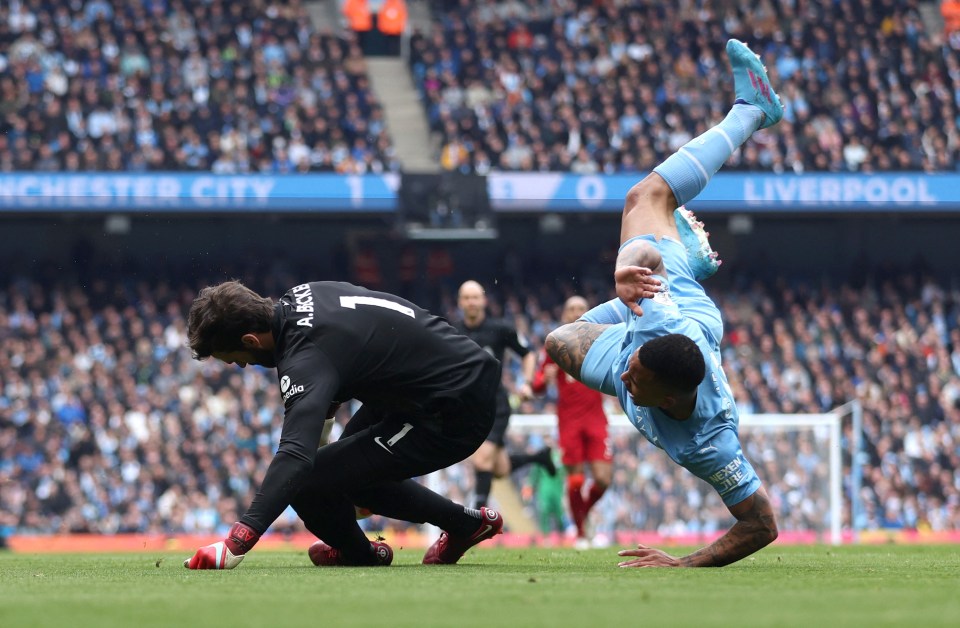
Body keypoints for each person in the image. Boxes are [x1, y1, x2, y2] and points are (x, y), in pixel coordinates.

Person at [544, 39, 783, 567]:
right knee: (645, 199)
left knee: (558, 341)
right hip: (685, 309)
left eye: (634, 376)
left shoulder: (710, 442)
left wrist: (684, 564)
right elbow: (647, 258)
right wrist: (627, 274)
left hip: (660, 333)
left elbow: (762, 524)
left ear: (671, 396)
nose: (625, 377)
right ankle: (753, 111)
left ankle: (664, 267)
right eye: (631, 369)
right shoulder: (657, 327)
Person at [182, 280, 505, 569]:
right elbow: (350, 358)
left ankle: (363, 553)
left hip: (453, 409)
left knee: (309, 481)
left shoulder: (304, 357)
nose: (240, 365)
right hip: (433, 383)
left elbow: (296, 455)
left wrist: (237, 542)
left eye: (235, 358)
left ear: (251, 340)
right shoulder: (302, 295)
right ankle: (465, 525)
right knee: (341, 475)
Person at [454, 280, 556, 510]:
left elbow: (528, 353)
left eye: (475, 297)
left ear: (484, 300)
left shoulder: (500, 329)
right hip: (468, 409)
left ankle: (477, 519)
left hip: (495, 406)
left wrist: (527, 383)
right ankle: (539, 457)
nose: (471, 302)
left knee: (481, 460)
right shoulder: (451, 331)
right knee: (498, 468)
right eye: (466, 298)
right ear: (460, 302)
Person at [532, 295, 612, 550]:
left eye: (581, 309)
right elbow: (537, 387)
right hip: (568, 421)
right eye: (571, 309)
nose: (576, 312)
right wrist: (545, 378)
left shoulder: (600, 340)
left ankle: (583, 516)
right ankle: (579, 532)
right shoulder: (556, 345)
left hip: (596, 418)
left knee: (603, 479)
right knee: (576, 480)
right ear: (565, 315)